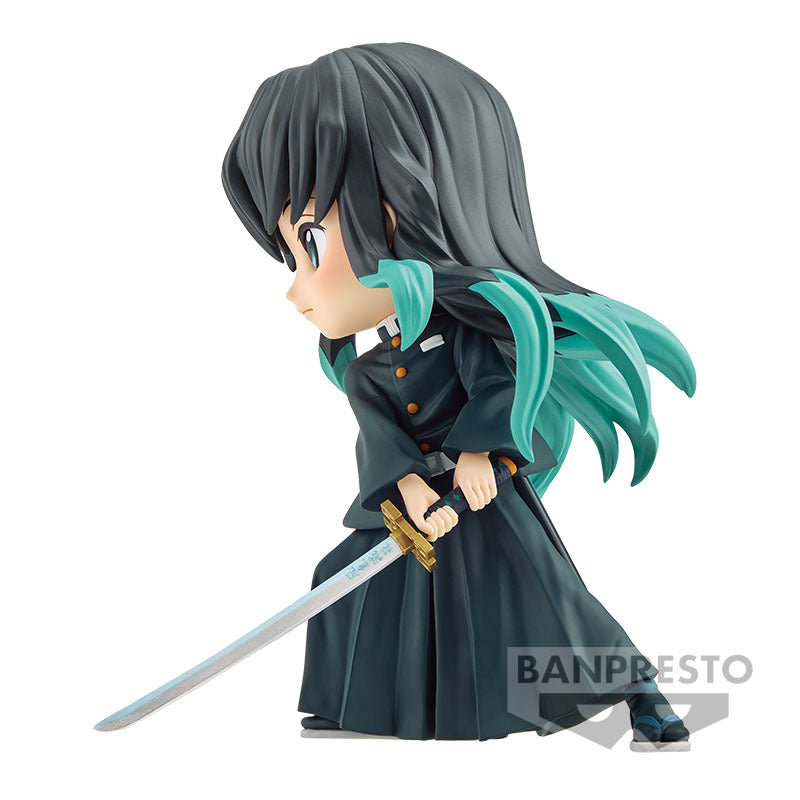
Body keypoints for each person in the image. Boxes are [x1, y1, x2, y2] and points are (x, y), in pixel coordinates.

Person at [221, 43, 695, 747]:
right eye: (291, 255)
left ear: (393, 216)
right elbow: (380, 438)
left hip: (485, 495)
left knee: (548, 596)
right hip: (420, 505)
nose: (297, 289)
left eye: (312, 245)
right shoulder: (366, 370)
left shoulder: (469, 335)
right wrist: (408, 487)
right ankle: (362, 702)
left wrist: (480, 456)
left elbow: (502, 388)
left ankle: (641, 694)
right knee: (348, 579)